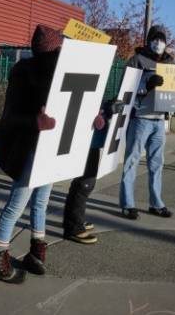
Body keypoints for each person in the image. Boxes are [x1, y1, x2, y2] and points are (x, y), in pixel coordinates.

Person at [0, 24, 63, 283]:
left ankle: (37, 252)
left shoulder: (56, 71)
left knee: (40, 200)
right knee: (18, 203)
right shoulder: (27, 73)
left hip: (50, 147)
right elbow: (12, 113)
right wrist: (34, 123)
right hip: (32, 147)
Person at [119, 25, 174, 220]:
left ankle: (156, 203)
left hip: (159, 120)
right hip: (140, 118)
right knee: (132, 161)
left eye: (162, 39)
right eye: (155, 38)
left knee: (157, 163)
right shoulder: (136, 60)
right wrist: (146, 86)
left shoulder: (170, 63)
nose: (158, 43)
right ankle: (127, 204)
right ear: (148, 40)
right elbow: (125, 88)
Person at [61, 100, 118, 245]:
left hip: (92, 140)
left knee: (85, 183)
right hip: (84, 139)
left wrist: (106, 108)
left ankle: (75, 219)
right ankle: (73, 227)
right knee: (84, 184)